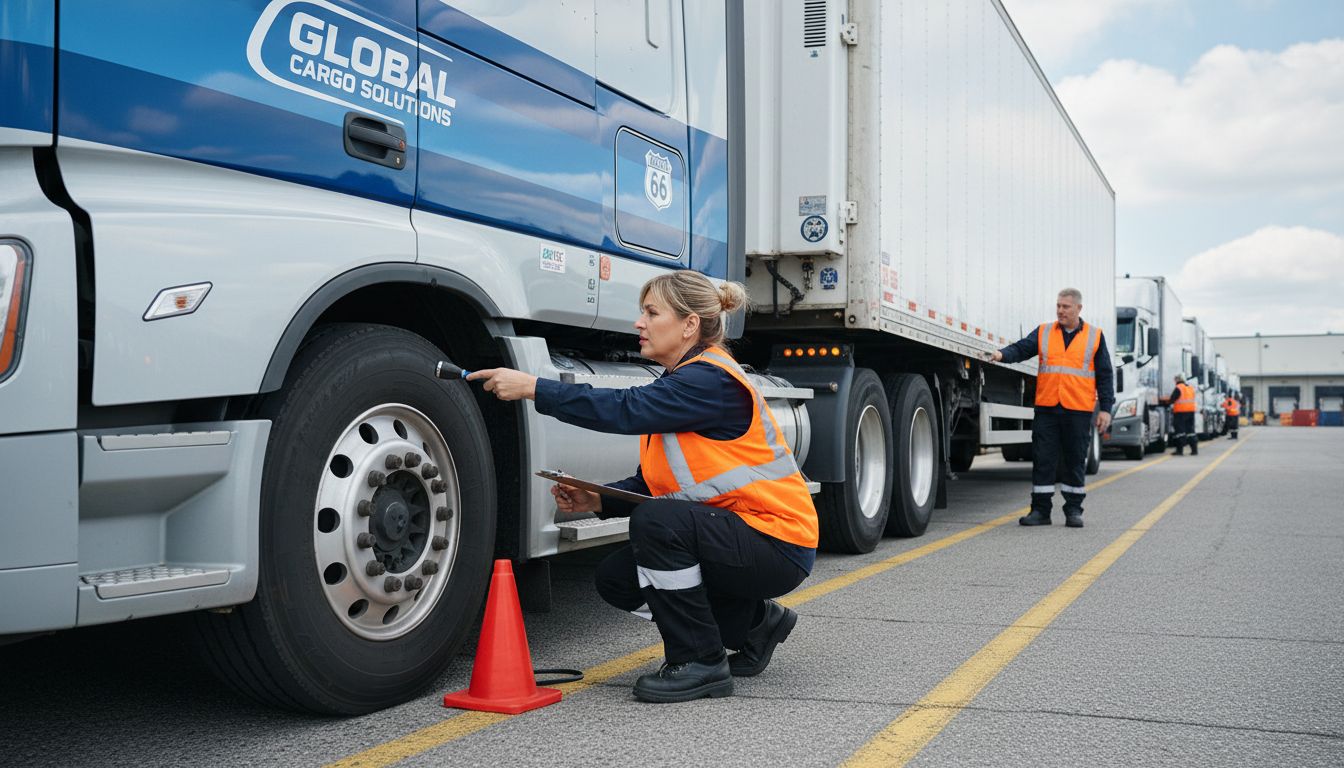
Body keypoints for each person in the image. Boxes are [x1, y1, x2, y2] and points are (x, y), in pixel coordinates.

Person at [466, 270, 818, 703]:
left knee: (657, 524)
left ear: (689, 325)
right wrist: (599, 498)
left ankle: (701, 662)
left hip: (776, 540)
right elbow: (663, 482)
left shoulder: (709, 380)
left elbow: (625, 409)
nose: (639, 323)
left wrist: (534, 388)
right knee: (618, 578)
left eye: (652, 313)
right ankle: (755, 625)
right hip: (738, 533)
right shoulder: (685, 382)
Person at [985, 288, 1114, 528]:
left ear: (1078, 309)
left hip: (1078, 408)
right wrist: (1002, 354)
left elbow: (1105, 376)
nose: (1060, 311)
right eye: (1058, 306)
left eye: (1065, 306)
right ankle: (1040, 511)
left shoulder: (1095, 337)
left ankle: (1074, 510)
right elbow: (1023, 348)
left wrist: (1106, 408)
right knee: (1043, 458)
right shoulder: (1045, 331)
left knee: (1075, 459)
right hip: (1047, 407)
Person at [1165, 375, 1198, 455]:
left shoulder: (1178, 388)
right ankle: (1194, 450)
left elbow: (1172, 399)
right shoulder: (1190, 388)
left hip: (1180, 413)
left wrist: (1166, 403)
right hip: (1191, 412)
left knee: (1180, 432)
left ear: (1177, 380)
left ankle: (1179, 451)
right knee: (1191, 431)